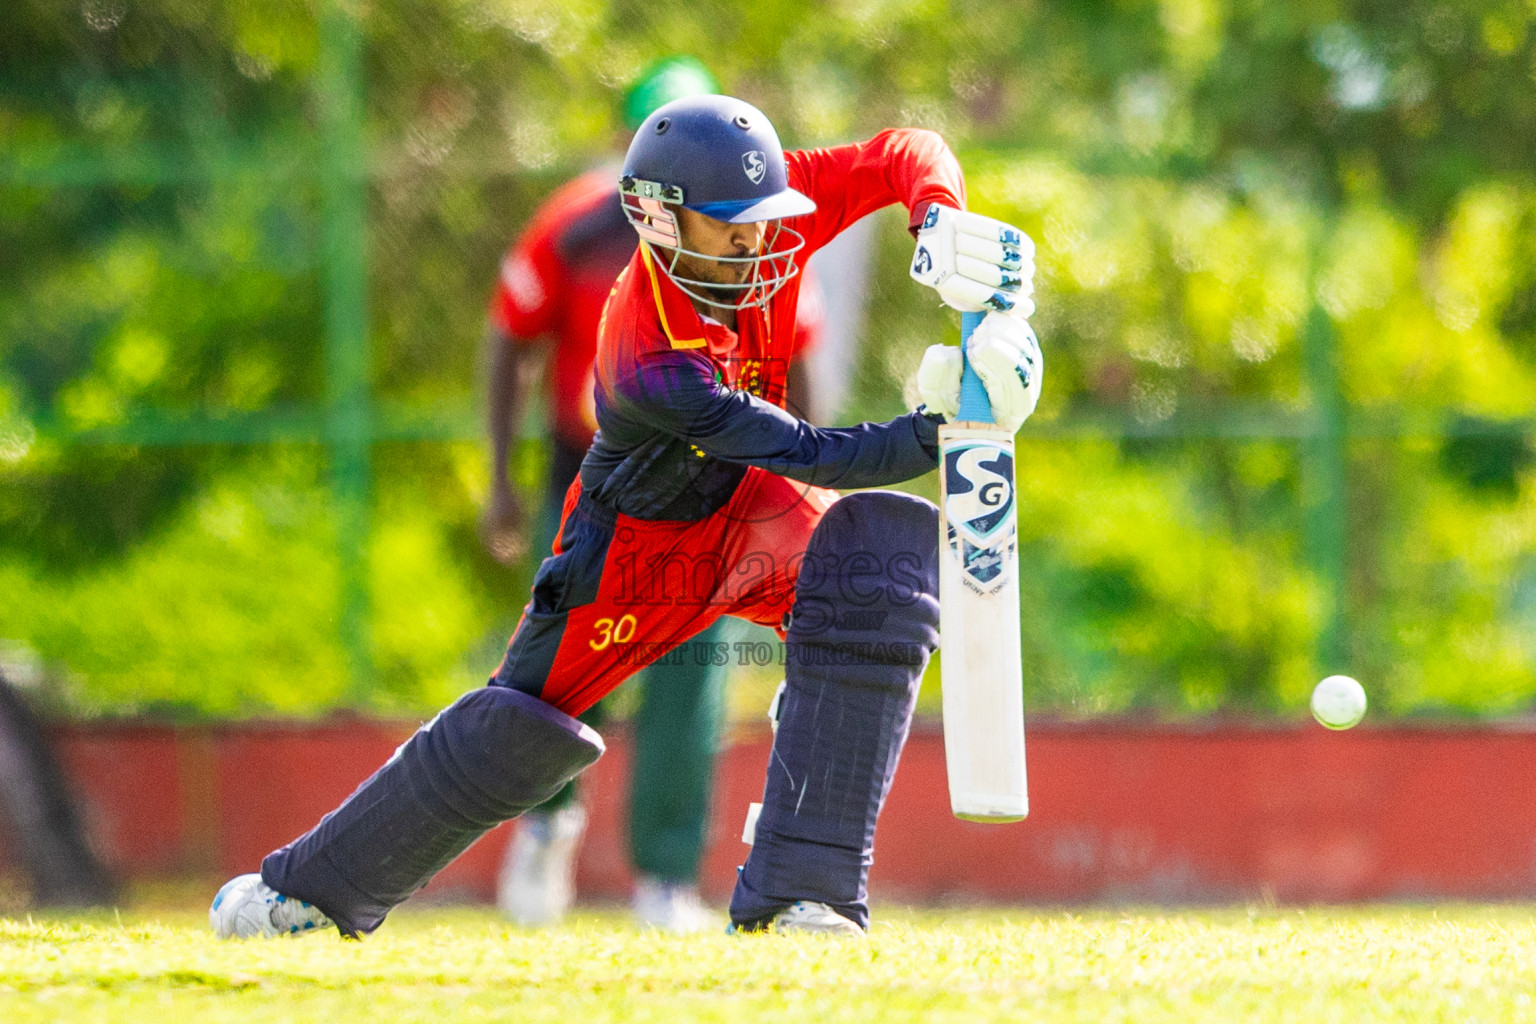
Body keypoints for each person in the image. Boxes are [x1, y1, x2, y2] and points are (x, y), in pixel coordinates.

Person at [210, 92, 1041, 940]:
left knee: (880, 568)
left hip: (753, 508)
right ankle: (303, 895)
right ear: (660, 220)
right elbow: (806, 450)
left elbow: (906, 149)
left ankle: (802, 894)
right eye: (730, 228)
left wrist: (938, 220)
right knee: (518, 728)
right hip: (638, 551)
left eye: (763, 219)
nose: (756, 242)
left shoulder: (771, 204)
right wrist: (945, 426)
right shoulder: (646, 348)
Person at [480, 57, 824, 934]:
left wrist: (801, 483)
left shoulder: (760, 234)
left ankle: (666, 875)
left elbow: (799, 358)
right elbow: (510, 335)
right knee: (564, 662)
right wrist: (501, 481)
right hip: (592, 476)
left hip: (709, 484)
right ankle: (546, 825)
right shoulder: (575, 227)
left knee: (686, 677)